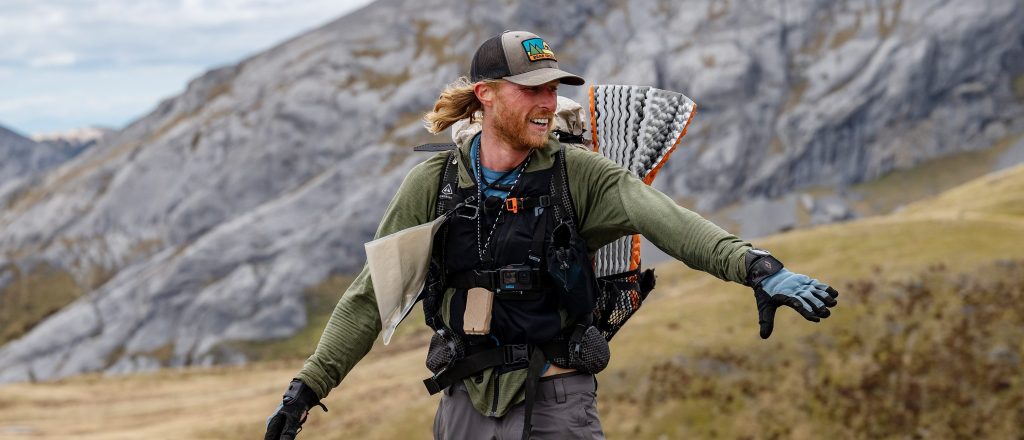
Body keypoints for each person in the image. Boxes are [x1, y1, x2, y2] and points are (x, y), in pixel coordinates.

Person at [264, 30, 839, 440]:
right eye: (530, 89)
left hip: (560, 405)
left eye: (552, 89)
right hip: (465, 406)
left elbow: (668, 220)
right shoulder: (432, 184)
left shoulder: (580, 174)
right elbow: (371, 297)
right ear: (486, 94)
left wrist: (758, 268)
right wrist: (307, 389)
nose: (546, 102)